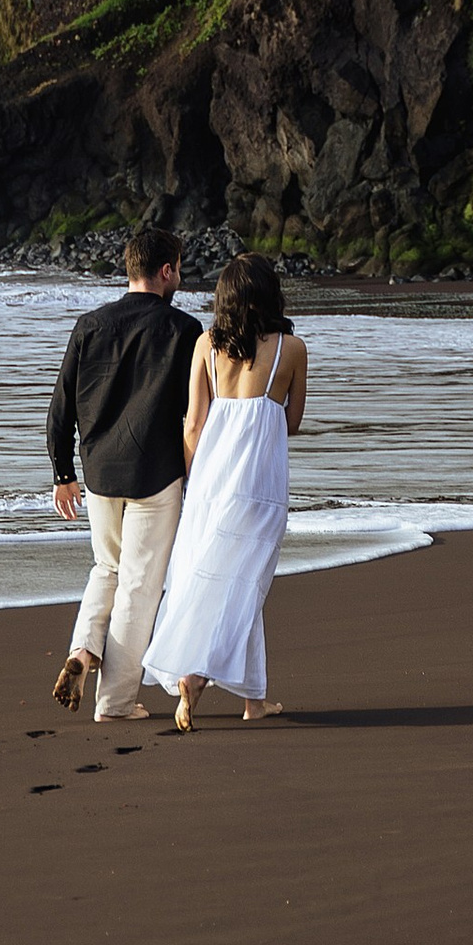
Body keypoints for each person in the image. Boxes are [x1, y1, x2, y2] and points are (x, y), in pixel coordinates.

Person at [45, 220, 202, 726]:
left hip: (98, 474)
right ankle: (114, 702)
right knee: (138, 587)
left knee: (106, 570)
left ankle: (84, 652)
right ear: (166, 271)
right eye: (178, 268)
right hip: (154, 474)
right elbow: (192, 415)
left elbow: (61, 405)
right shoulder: (183, 331)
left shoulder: (90, 325)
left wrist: (62, 473)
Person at [144, 250, 308, 730]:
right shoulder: (291, 350)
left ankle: (250, 697)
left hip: (211, 483)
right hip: (261, 485)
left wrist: (194, 480)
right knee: (247, 586)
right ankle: (201, 680)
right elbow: (291, 422)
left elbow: (193, 425)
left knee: (208, 579)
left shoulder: (205, 345)